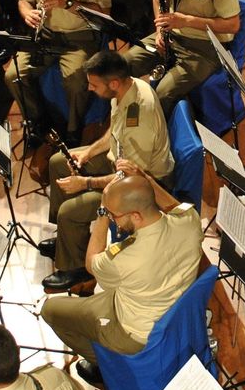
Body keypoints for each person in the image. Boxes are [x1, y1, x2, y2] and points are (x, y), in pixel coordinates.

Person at [41, 172, 205, 385]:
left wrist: (101, 212)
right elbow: (175, 207)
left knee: (50, 311)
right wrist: (146, 179)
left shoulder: (124, 257)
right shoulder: (190, 221)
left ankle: (109, 366)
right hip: (173, 312)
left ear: (136, 216)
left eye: (114, 215)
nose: (112, 219)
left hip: (134, 333)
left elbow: (91, 264)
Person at [38, 50, 173, 291]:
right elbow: (114, 135)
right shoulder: (122, 91)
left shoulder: (140, 113)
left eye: (93, 85)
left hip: (144, 186)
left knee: (71, 210)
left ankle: (78, 269)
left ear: (113, 83)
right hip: (122, 163)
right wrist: (88, 153)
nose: (89, 89)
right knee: (59, 161)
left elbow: (133, 176)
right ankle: (66, 240)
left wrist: (86, 183)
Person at [5, 0, 111, 146]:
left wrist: (68, 4)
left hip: (78, 37)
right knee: (13, 75)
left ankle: (73, 129)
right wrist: (27, 13)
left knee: (75, 79)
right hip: (44, 35)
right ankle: (37, 122)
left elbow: (104, 13)